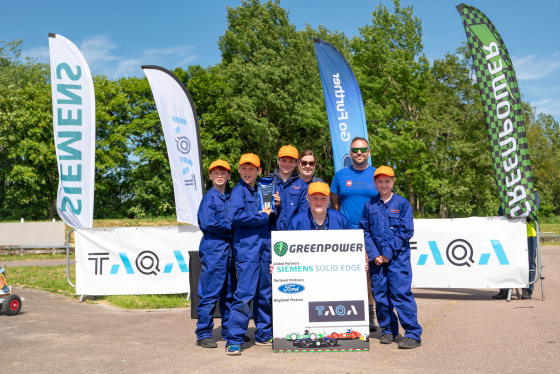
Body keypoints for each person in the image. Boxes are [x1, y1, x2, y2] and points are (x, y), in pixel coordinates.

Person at [359, 165, 422, 349]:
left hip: (397, 259)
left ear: (393, 181)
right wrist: (374, 254)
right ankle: (388, 330)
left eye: (387, 181)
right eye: (380, 181)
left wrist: (387, 253)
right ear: (375, 183)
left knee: (400, 294)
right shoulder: (369, 205)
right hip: (377, 259)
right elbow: (364, 230)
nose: (384, 184)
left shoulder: (402, 204)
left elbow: (406, 231)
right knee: (380, 294)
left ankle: (412, 333)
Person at [225, 153, 274, 355]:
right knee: (244, 293)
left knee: (265, 292)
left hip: (265, 245)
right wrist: (262, 215)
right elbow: (235, 216)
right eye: (244, 168)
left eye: (251, 169)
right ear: (238, 170)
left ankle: (264, 333)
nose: (247, 172)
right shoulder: (237, 191)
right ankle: (234, 338)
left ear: (258, 171)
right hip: (246, 247)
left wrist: (274, 205)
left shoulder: (265, 188)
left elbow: (271, 213)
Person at [330, 137, 379, 331]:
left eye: (363, 149)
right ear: (350, 153)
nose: (359, 153)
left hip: (371, 232)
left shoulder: (377, 174)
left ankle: (370, 314)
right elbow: (335, 199)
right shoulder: (341, 175)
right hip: (346, 232)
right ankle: (346, 313)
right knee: (347, 273)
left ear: (368, 152)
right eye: (355, 150)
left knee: (370, 275)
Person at [195, 159, 235, 349]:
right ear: (210, 176)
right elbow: (208, 223)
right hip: (214, 249)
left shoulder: (231, 197)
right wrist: (234, 230)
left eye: (223, 172)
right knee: (210, 294)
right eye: (215, 173)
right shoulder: (209, 198)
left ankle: (227, 331)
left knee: (229, 294)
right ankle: (203, 333)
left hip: (229, 251)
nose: (220, 176)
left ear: (228, 175)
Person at [493, 193, 539, 300]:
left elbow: (531, 210)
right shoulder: (508, 194)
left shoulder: (534, 193)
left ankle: (527, 290)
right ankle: (504, 290)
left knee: (529, 262)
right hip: (512, 234)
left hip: (528, 233)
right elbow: (500, 212)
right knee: (506, 261)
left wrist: (513, 211)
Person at [269, 145, 309, 231]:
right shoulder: (267, 182)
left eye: (291, 161)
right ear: (278, 160)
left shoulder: (302, 185)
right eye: (284, 160)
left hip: (293, 235)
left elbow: (303, 213)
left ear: (296, 163)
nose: (287, 164)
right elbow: (261, 212)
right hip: (270, 235)